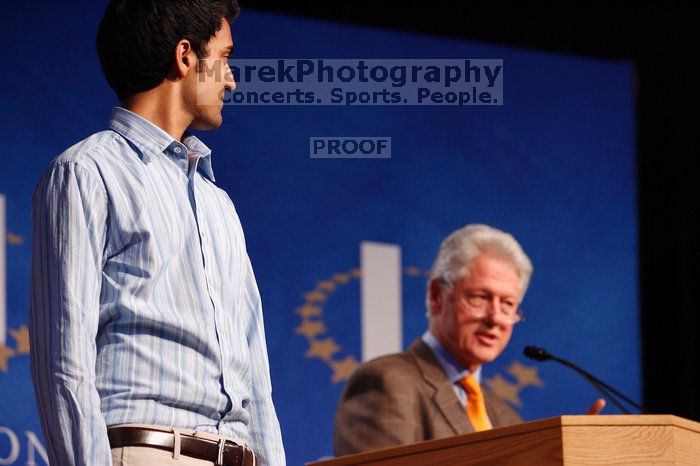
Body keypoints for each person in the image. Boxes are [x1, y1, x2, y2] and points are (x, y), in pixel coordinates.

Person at [28, 1, 285, 465]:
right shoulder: (87, 171)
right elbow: (64, 364)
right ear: (185, 56)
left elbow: (257, 381)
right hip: (148, 451)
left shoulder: (218, 202)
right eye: (224, 58)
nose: (231, 79)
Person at [333, 224, 604, 456]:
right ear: (437, 296)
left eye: (508, 304)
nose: (496, 318)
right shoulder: (387, 381)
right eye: (480, 298)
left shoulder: (505, 417)